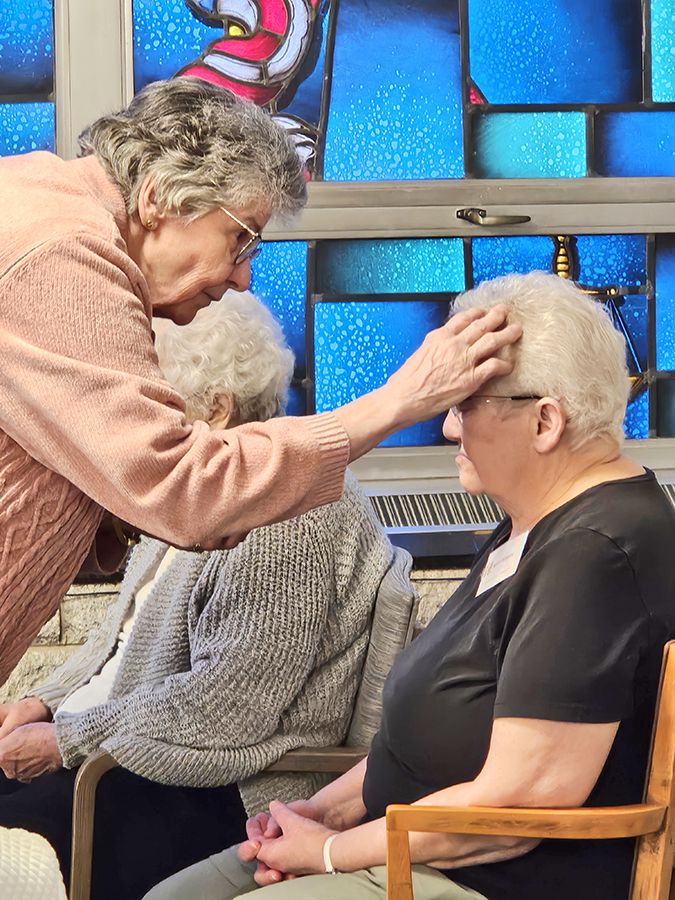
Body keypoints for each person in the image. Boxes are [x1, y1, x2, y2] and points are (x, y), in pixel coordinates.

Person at [144, 270, 675, 900]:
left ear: (545, 422)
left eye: (465, 403)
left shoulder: (597, 552)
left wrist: (333, 852)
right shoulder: (535, 522)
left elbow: (517, 805)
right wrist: (326, 811)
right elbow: (434, 727)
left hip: (484, 881)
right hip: (402, 848)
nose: (447, 427)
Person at [0, 76, 519, 685]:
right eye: (240, 238)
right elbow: (185, 488)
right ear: (157, 197)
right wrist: (399, 401)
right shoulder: (65, 254)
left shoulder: (41, 202)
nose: (243, 278)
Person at [0, 291, 396, 900]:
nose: (135, 423)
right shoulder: (197, 486)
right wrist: (42, 702)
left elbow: (226, 706)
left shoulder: (289, 513)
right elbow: (116, 644)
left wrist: (66, 740)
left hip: (221, 790)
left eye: (155, 401)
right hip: (126, 751)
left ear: (215, 408)